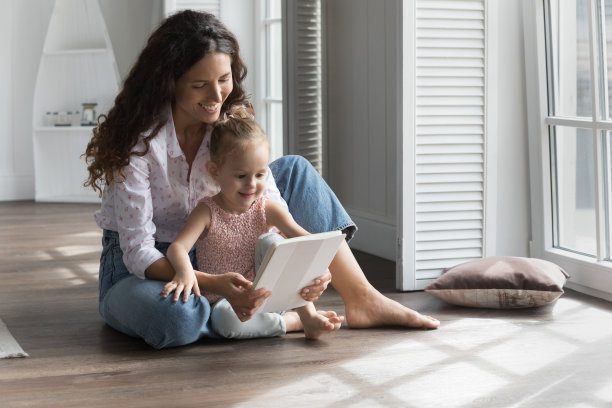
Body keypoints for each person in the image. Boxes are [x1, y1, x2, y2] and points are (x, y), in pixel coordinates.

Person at [84, 9, 439, 349]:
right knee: (176, 320)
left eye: (223, 80)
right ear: (169, 84)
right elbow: (137, 253)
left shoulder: (228, 125)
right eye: (199, 85)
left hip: (222, 246)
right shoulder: (139, 145)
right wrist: (215, 283)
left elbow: (267, 206)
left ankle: (361, 298)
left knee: (295, 170)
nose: (216, 96)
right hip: (151, 265)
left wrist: (307, 266)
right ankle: (267, 318)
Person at [165, 106, 344, 340]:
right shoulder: (206, 211)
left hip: (270, 295)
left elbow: (306, 240)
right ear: (214, 171)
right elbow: (177, 247)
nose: (252, 184)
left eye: (260, 175)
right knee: (224, 323)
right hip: (227, 303)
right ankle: (292, 323)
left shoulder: (267, 207)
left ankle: (307, 314)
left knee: (273, 241)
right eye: (241, 176)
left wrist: (321, 267)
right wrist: (184, 272)